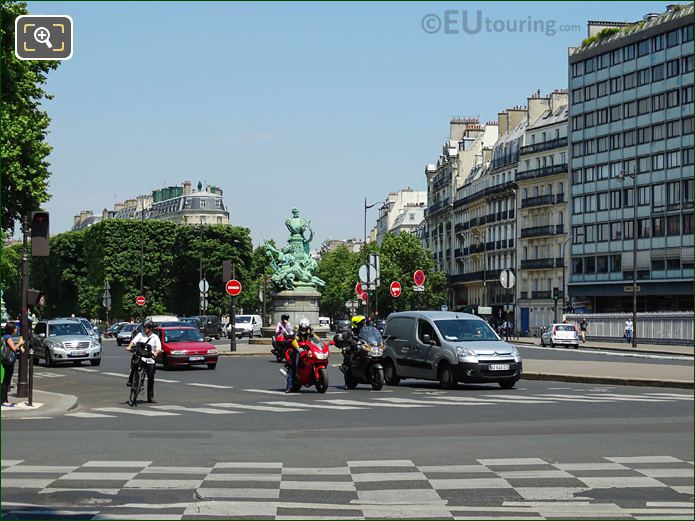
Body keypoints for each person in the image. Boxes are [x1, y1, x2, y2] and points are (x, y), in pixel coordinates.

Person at [126, 320, 162, 403]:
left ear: (150, 328)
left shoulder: (155, 337)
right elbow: (133, 341)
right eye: (144, 327)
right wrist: (129, 346)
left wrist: (156, 352)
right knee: (135, 364)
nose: (144, 329)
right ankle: (131, 380)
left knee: (151, 377)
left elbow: (158, 347)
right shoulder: (140, 335)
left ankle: (150, 397)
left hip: (150, 358)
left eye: (146, 327)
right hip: (141, 357)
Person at [285, 317, 317, 393]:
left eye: (305, 328)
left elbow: (317, 340)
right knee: (294, 366)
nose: (303, 330)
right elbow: (294, 341)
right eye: (302, 328)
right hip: (298, 351)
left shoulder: (310, 333)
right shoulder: (297, 332)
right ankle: (290, 386)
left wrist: (322, 344)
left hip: (308, 351)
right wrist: (298, 348)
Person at [1, 323, 24, 408]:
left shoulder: (4, 337)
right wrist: (20, 343)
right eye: (15, 328)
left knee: (6, 380)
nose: (16, 330)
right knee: (6, 381)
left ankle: (4, 399)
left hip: (5, 360)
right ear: (12, 329)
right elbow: (13, 348)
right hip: (8, 361)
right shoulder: (8, 337)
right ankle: (4, 400)